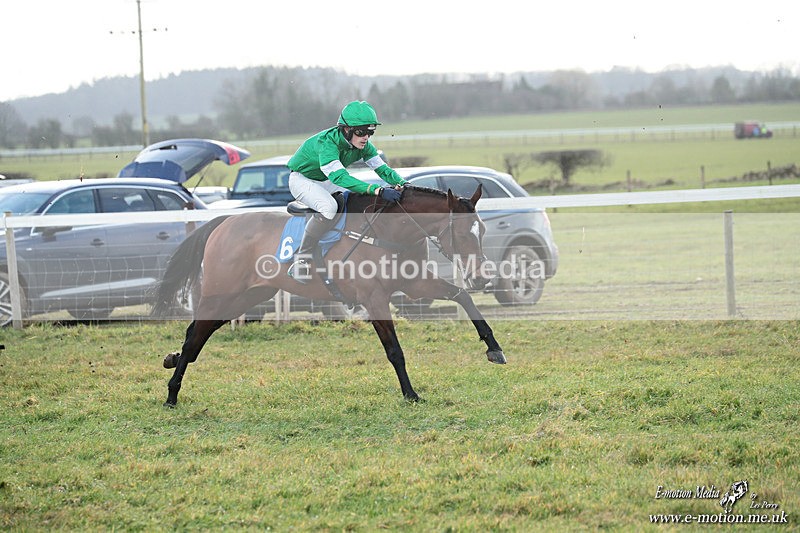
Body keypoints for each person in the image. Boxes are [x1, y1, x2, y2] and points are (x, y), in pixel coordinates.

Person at [286, 100, 407, 282]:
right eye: (361, 132)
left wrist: (403, 184)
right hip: (302, 180)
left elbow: (383, 170)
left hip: (325, 179)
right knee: (329, 207)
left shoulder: (364, 146)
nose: (366, 137)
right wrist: (378, 190)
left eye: (370, 132)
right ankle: (302, 260)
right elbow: (340, 178)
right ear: (346, 129)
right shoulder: (327, 143)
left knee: (358, 198)